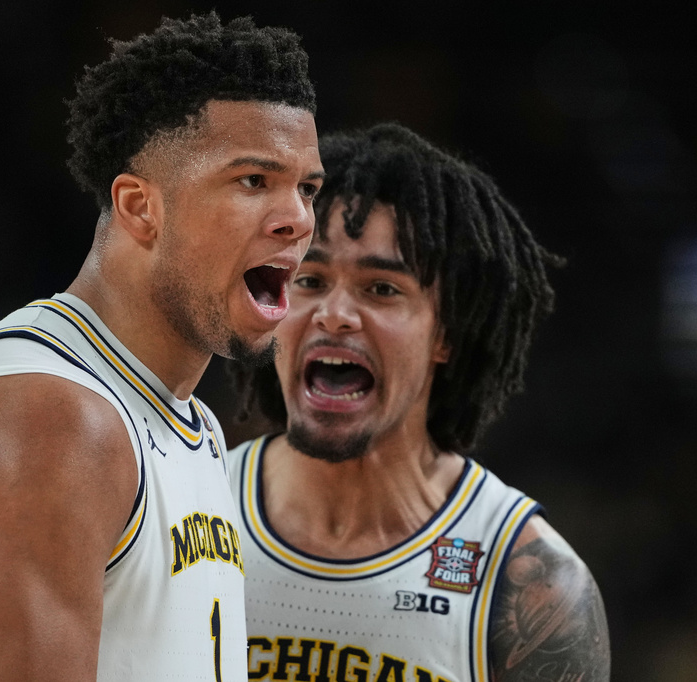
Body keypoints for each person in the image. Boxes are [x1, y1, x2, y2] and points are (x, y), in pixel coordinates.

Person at [0, 13, 324, 681]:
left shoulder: (189, 422)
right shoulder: (50, 419)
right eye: (252, 181)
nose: (298, 218)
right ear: (139, 206)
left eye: (307, 188)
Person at [227, 123, 610, 682]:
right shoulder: (183, 510)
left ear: (446, 335)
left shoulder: (529, 582)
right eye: (308, 280)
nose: (334, 314)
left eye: (381, 289)